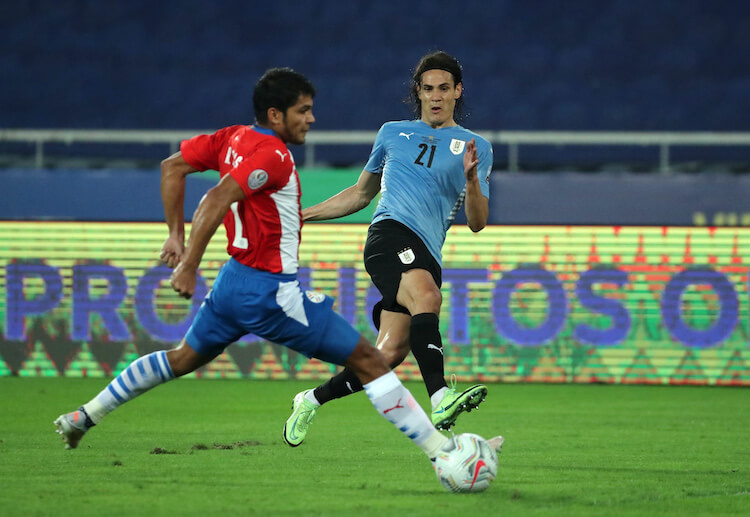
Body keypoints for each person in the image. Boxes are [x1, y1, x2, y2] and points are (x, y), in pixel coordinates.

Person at [53, 68, 460, 463]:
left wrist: (175, 235)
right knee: (371, 361)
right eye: (303, 110)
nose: (311, 119)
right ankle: (445, 455)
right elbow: (216, 199)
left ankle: (83, 416)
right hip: (271, 292)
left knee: (181, 358)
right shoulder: (275, 156)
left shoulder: (231, 139)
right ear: (275, 115)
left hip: (232, 282)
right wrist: (188, 264)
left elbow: (171, 167)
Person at [284, 51, 494, 447]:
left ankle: (310, 399)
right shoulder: (392, 133)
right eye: (428, 88)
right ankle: (440, 397)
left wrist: (471, 180)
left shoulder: (475, 147)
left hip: (428, 251)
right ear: (418, 92)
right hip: (388, 235)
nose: (435, 96)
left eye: (444, 89)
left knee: (385, 356)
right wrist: (305, 214)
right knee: (428, 296)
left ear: (457, 92)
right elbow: (361, 194)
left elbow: (479, 221)